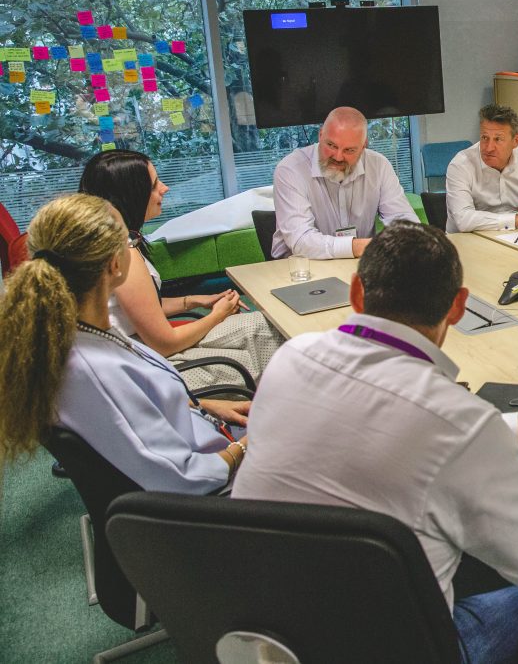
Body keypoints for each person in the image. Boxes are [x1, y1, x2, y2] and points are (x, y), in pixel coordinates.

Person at [234, 222, 518, 662]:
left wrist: (510, 430)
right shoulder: (459, 425)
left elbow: (375, 426)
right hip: (400, 650)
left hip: (269, 639)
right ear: (458, 307)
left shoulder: (289, 358)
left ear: (357, 293)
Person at [0, 194, 249, 493]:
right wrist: (245, 447)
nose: (133, 246)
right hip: (212, 499)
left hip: (202, 439)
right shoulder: (93, 370)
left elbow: (132, 407)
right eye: (129, 241)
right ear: (114, 265)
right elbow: (185, 479)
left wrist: (205, 406)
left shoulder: (74, 336)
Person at [79, 150, 284, 389]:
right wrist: (218, 314)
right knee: (262, 339)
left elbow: (139, 309)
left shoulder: (109, 243)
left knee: (261, 326)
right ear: (132, 195)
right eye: (155, 185)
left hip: (139, 351)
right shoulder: (124, 255)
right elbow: (164, 343)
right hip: (148, 365)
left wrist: (195, 300)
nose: (164, 188)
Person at [272, 106, 418, 259]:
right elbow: (301, 240)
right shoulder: (291, 170)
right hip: (299, 271)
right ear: (320, 135)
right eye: (331, 146)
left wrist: (408, 238)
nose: (338, 157)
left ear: (363, 147)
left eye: (349, 150)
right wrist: (365, 246)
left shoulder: (378, 165)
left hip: (359, 266)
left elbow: (405, 222)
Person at [445, 104, 518, 233]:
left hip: (513, 236)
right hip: (466, 240)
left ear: (516, 141)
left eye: (498, 139)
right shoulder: (461, 165)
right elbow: (464, 220)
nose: (489, 147)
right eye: (485, 138)